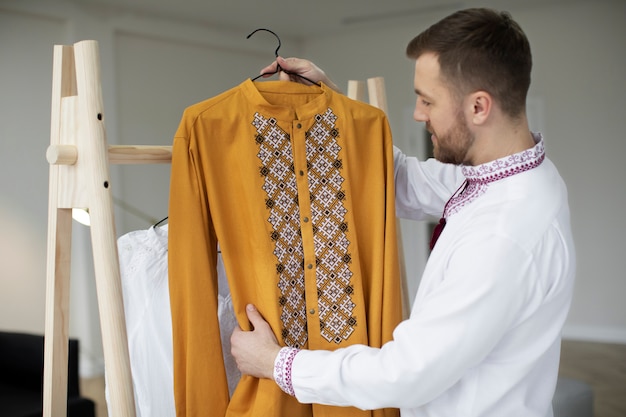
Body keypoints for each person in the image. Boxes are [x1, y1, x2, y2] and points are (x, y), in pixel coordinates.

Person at [231, 8, 576, 417]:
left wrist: (276, 363)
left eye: (427, 100)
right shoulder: (515, 175)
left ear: (479, 107)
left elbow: (406, 373)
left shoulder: (504, 236)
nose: (417, 113)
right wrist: (333, 101)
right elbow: (398, 180)